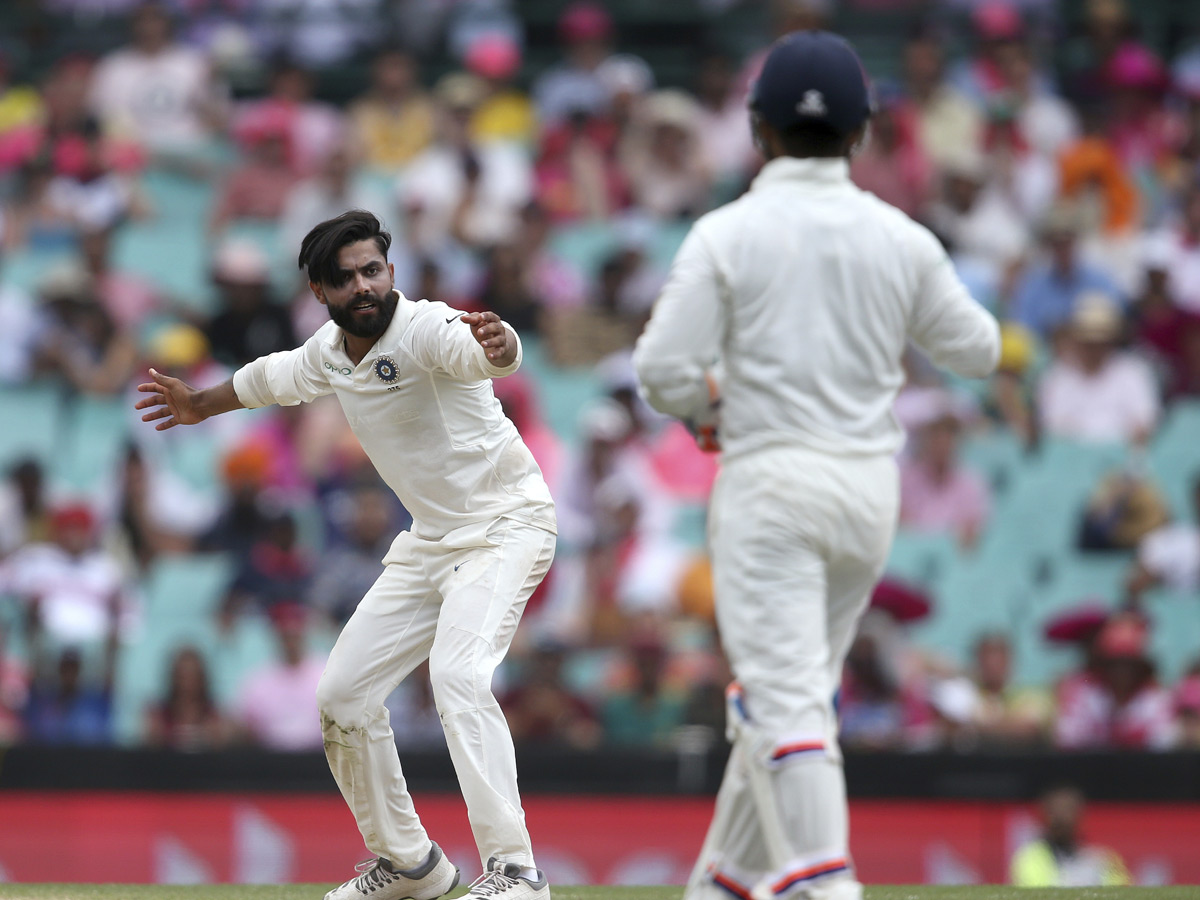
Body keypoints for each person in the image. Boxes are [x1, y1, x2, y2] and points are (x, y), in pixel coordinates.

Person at [633, 32, 1000, 900]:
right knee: (788, 694)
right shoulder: (899, 238)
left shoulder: (727, 234)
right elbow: (978, 350)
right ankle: (720, 887)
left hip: (771, 487)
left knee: (784, 700)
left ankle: (828, 884)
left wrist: (705, 409)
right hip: (869, 498)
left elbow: (659, 372)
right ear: (862, 132)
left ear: (757, 131)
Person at [135, 210, 556, 900]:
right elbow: (267, 379)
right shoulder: (328, 353)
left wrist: (500, 341)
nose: (364, 285)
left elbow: (487, 353)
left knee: (458, 675)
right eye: (346, 278)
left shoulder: (425, 327)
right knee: (343, 696)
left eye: (373, 270)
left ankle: (515, 873)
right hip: (432, 540)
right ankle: (412, 865)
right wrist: (198, 406)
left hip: (508, 524)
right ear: (318, 292)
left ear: (390, 270)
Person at [1010, 785, 1130, 886]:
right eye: (1055, 812)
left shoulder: (1103, 859)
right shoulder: (1030, 857)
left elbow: (1123, 890)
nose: (1061, 818)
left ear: (1080, 815)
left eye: (1067, 810)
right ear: (1044, 816)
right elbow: (1036, 892)